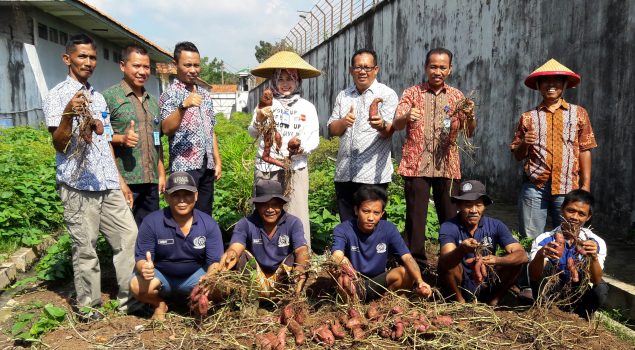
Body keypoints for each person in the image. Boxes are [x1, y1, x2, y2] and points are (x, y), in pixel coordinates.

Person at [43, 34, 138, 320]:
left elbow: (105, 139)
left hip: (106, 181)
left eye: (92, 57)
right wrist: (69, 114)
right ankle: (89, 307)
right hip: (77, 184)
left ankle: (130, 300)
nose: (88, 62)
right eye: (82, 56)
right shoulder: (57, 95)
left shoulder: (97, 97)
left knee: (128, 235)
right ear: (67, 58)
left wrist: (120, 181)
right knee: (85, 248)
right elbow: (59, 143)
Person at [392, 47, 476, 268]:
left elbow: (469, 132)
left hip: (447, 166)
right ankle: (415, 266)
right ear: (425, 67)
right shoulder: (411, 93)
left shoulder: (457, 97)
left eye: (442, 67)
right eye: (433, 66)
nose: (437, 71)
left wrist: (470, 116)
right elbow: (397, 124)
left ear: (450, 69)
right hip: (415, 166)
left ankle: (449, 265)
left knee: (449, 218)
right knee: (415, 220)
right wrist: (406, 115)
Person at [511, 59, 597, 240]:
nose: (551, 85)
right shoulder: (528, 117)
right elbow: (518, 155)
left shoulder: (579, 113)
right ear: (538, 85)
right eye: (545, 81)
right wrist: (525, 143)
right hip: (535, 187)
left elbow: (585, 148)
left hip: (568, 187)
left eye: (557, 80)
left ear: (565, 84)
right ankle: (532, 267)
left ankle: (565, 268)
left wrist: (586, 185)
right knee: (531, 238)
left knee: (569, 236)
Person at [249, 51, 320, 248]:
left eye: (290, 78)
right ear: (273, 80)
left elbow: (314, 138)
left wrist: (300, 148)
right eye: (280, 78)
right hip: (267, 167)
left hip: (295, 167)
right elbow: (252, 133)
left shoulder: (307, 107)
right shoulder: (267, 103)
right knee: (267, 212)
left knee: (297, 211)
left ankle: (300, 256)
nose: (285, 83)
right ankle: (265, 254)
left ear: (297, 80)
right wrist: (260, 118)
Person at [129, 172, 223, 320]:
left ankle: (195, 302)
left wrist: (208, 279)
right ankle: (159, 303)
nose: (182, 200)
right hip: (162, 276)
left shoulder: (208, 223)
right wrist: (144, 267)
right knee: (135, 285)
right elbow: (141, 258)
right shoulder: (151, 222)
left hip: (195, 277)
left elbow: (215, 262)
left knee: (220, 287)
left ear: (196, 196)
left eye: (187, 195)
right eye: (175, 195)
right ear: (166, 197)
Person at [327, 48, 398, 222]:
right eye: (358, 67)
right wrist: (344, 122)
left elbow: (390, 131)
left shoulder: (387, 95)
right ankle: (351, 250)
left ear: (376, 69)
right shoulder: (343, 96)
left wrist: (380, 125)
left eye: (367, 67)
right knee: (347, 223)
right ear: (351, 70)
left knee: (372, 223)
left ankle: (376, 250)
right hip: (344, 173)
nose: (362, 71)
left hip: (372, 175)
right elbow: (332, 129)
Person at [331, 185, 432, 302]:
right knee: (342, 265)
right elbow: (337, 254)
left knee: (405, 273)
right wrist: (336, 263)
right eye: (366, 211)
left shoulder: (388, 229)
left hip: (378, 282)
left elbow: (407, 258)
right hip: (353, 282)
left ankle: (383, 304)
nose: (370, 217)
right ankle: (353, 305)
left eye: (376, 213)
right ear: (356, 210)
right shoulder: (343, 229)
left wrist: (420, 281)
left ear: (382, 214)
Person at [103, 44, 166, 226]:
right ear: (123, 65)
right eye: (136, 66)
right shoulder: (109, 98)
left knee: (149, 232)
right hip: (124, 181)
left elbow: (157, 141)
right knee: (126, 236)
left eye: (146, 67)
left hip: (151, 181)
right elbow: (101, 140)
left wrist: (161, 174)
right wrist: (121, 139)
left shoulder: (153, 102)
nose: (142, 71)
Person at [438, 180, 527, 305]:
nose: (474, 210)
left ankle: (494, 300)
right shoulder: (449, 226)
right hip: (460, 283)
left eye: (478, 205)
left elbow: (522, 255)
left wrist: (497, 260)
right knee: (448, 265)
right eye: (468, 205)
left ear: (484, 206)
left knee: (515, 262)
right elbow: (445, 261)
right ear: (458, 206)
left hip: (487, 282)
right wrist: (461, 250)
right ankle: (459, 301)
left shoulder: (496, 225)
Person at [159, 41, 222, 216]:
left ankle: (202, 242)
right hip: (184, 166)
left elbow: (211, 129)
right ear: (175, 65)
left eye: (196, 65)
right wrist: (183, 106)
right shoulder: (169, 95)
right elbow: (166, 129)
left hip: (206, 163)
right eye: (187, 65)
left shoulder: (204, 94)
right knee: (183, 214)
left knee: (204, 212)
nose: (193, 70)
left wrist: (217, 160)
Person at [217, 180, 309, 296]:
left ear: (282, 204)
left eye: (275, 204)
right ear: (256, 205)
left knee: (303, 259)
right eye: (264, 204)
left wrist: (300, 268)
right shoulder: (245, 223)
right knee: (241, 257)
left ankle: (289, 300)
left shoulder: (293, 222)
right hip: (254, 280)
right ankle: (249, 301)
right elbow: (236, 247)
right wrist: (231, 254)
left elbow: (301, 249)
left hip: (283, 282)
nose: (270, 209)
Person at [528, 189, 607, 319]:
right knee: (546, 267)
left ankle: (582, 317)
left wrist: (593, 258)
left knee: (602, 288)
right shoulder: (545, 238)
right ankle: (544, 311)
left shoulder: (595, 242)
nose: (574, 217)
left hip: (578, 294)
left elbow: (596, 280)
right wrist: (541, 254)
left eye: (581, 214)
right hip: (552, 292)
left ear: (588, 217)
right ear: (562, 209)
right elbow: (533, 276)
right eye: (570, 210)